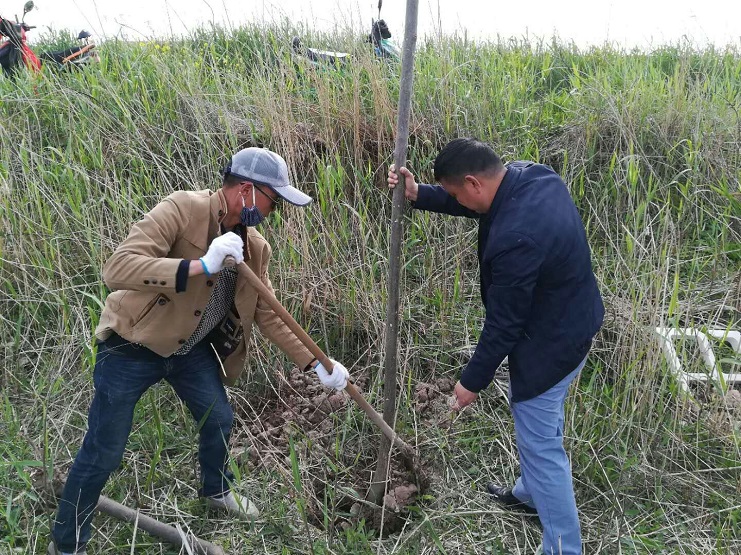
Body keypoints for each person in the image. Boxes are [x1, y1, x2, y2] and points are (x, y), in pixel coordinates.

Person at [49, 147, 350, 555]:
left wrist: (317, 364)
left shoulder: (254, 247)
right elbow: (117, 268)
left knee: (219, 419)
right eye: (273, 200)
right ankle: (67, 544)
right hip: (132, 345)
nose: (274, 211)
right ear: (246, 190)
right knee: (105, 449)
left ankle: (216, 490)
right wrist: (201, 265)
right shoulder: (182, 208)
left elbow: (270, 314)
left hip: (188, 351)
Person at [388, 138, 604, 555]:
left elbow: (504, 326)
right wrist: (420, 195)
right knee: (542, 427)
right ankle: (529, 494)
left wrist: (471, 382)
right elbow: (480, 203)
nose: (458, 202)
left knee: (541, 446)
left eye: (455, 194)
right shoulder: (532, 176)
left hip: (552, 346)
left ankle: (564, 547)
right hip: (576, 320)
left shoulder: (515, 239)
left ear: (473, 182)